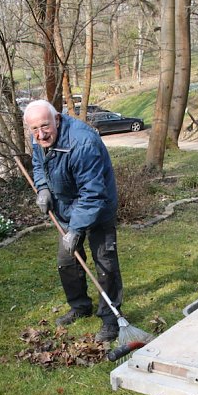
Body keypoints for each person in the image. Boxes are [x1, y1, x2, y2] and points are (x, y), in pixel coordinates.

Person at [22, 100, 124, 343]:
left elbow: (92, 193)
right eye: (34, 129)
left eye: (45, 126)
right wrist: (43, 189)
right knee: (67, 260)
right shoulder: (38, 139)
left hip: (98, 206)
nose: (40, 134)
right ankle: (80, 306)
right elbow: (39, 164)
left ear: (57, 119)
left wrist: (76, 229)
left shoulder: (82, 142)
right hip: (66, 208)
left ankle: (111, 319)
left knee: (105, 262)